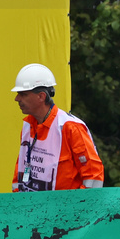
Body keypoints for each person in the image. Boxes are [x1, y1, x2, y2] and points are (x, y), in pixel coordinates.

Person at [11, 63, 103, 192]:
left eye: (23, 94)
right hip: (32, 209)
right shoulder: (28, 125)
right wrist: (17, 200)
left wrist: (79, 208)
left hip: (66, 210)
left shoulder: (70, 127)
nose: (17, 98)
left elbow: (93, 176)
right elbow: (21, 167)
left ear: (41, 96)